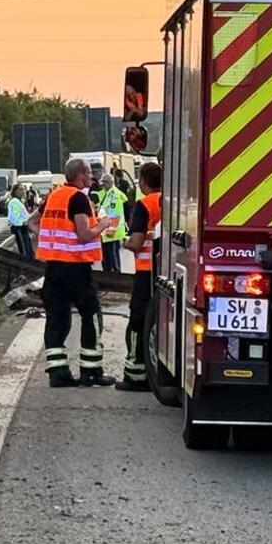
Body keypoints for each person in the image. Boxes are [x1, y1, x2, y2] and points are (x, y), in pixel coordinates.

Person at [38, 157, 112, 387]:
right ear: (80, 176)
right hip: (76, 269)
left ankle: (58, 374)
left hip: (53, 267)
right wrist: (103, 224)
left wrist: (51, 241)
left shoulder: (54, 195)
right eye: (89, 173)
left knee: (57, 318)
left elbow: (32, 222)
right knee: (91, 315)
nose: (92, 177)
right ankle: (91, 372)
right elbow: (84, 234)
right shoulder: (79, 198)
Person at [118, 162, 163, 392]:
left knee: (138, 321)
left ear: (144, 181)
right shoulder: (171, 201)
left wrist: (125, 242)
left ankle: (136, 375)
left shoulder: (144, 205)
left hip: (146, 273)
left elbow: (136, 243)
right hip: (165, 272)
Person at [95, 173, 127, 273]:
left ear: (110, 182)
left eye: (105, 183)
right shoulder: (105, 193)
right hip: (105, 229)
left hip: (112, 231)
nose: (103, 185)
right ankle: (107, 275)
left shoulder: (115, 195)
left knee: (112, 257)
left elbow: (115, 214)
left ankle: (116, 277)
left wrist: (110, 230)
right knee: (106, 257)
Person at [6, 184, 31, 254]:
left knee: (27, 247)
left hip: (23, 227)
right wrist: (23, 222)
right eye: (20, 189)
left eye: (23, 189)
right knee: (23, 248)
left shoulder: (20, 201)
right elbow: (15, 216)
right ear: (15, 191)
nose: (23, 191)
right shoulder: (14, 202)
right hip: (19, 228)